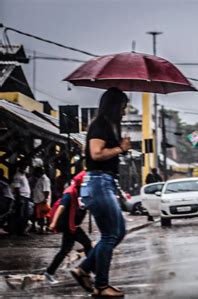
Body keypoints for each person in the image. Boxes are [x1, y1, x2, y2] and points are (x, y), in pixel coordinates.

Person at [70, 87, 131, 297]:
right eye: (123, 107)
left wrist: (120, 146)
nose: (124, 112)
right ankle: (101, 285)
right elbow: (96, 154)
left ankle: (84, 268)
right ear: (114, 106)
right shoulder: (100, 125)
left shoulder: (110, 127)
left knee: (118, 232)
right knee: (109, 235)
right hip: (98, 182)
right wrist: (121, 149)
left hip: (105, 183)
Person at [44, 171, 92, 284]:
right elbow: (61, 207)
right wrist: (53, 223)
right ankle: (88, 269)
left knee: (65, 249)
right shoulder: (70, 193)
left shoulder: (79, 192)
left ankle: (49, 272)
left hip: (72, 226)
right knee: (87, 244)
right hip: (69, 226)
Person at [11, 162, 32, 236]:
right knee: (21, 215)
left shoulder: (23, 175)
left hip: (26, 196)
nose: (25, 168)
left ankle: (22, 230)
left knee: (25, 214)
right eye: (24, 166)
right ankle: (19, 231)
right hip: (22, 197)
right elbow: (16, 188)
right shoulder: (17, 176)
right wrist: (19, 198)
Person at [31, 167, 51, 233]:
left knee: (44, 215)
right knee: (41, 215)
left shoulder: (45, 179)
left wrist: (45, 199)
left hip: (42, 200)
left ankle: (45, 228)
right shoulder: (41, 179)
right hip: (39, 200)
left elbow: (46, 190)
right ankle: (42, 228)